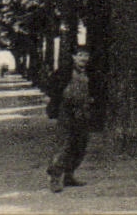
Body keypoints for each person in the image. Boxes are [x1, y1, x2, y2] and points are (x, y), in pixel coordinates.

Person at [47, 46, 92, 192]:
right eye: (80, 55)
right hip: (66, 112)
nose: (83, 58)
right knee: (64, 145)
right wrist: (58, 101)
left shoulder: (90, 72)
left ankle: (69, 175)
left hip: (84, 112)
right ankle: (55, 178)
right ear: (74, 57)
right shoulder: (64, 71)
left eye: (86, 55)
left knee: (80, 146)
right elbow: (51, 86)